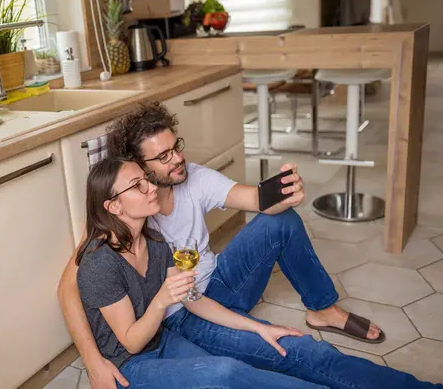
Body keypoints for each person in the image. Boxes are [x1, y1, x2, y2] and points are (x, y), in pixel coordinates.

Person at [58, 102, 442, 389]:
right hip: (183, 315)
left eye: (177, 147)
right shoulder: (122, 225)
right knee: (291, 356)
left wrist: (285, 191)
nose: (178, 159)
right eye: (162, 157)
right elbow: (71, 287)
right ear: (139, 169)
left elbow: (257, 199)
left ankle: (324, 309)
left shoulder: (179, 200)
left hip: (211, 291)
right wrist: (92, 359)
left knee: (282, 224)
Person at [76, 156, 329, 389]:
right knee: (223, 372)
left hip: (162, 340)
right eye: (137, 185)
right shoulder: (100, 264)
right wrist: (161, 300)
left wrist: (257, 328)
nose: (152, 187)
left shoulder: (155, 242)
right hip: (128, 366)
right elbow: (131, 343)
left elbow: (193, 300)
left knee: (233, 371)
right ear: (114, 207)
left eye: (146, 179)